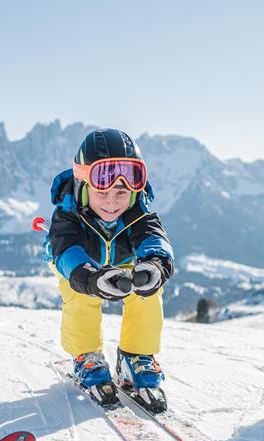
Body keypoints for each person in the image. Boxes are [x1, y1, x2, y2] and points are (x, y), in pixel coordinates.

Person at [44, 128, 175, 413]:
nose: (113, 202)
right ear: (82, 184)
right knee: (80, 296)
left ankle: (136, 356)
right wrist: (88, 278)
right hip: (79, 267)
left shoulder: (138, 212)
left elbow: (155, 238)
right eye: (102, 191)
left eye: (122, 192)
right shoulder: (67, 213)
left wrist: (156, 264)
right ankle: (86, 356)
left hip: (123, 261)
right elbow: (67, 249)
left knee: (146, 293)